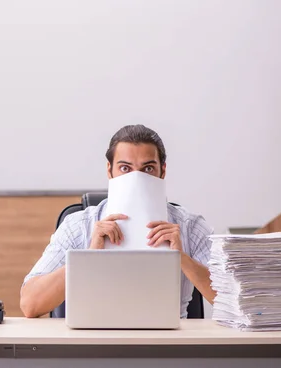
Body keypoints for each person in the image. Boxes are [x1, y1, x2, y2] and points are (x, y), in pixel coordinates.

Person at [20, 124, 216, 318]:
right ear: (109, 170)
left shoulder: (191, 227)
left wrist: (182, 258)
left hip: (171, 342)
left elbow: (237, 302)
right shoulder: (77, 226)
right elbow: (30, 304)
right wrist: (87, 257)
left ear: (162, 172)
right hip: (94, 341)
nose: (136, 178)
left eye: (148, 168)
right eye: (125, 168)